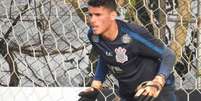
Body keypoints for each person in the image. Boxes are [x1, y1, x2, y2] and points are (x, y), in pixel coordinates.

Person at [78, 0, 177, 101]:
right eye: (90, 15)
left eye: (98, 15)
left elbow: (169, 55)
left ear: (113, 15)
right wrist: (96, 85)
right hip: (128, 91)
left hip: (155, 90)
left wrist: (157, 83)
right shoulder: (93, 35)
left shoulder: (133, 35)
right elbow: (106, 56)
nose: (92, 20)